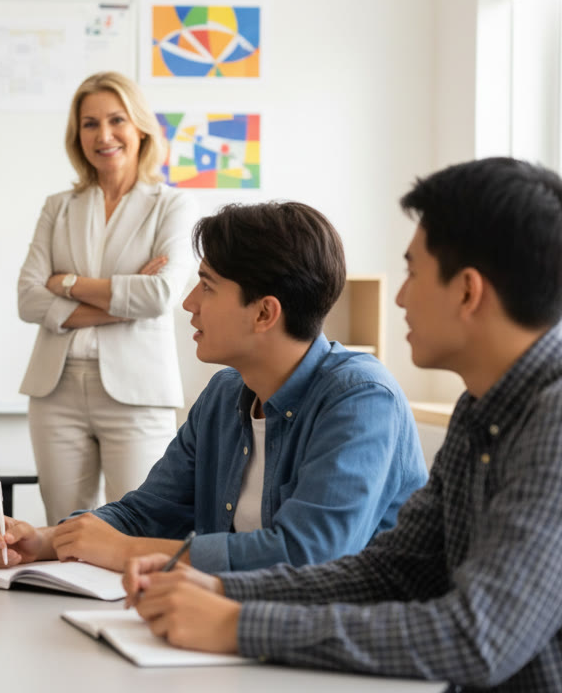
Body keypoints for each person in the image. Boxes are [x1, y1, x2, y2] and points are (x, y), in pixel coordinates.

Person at [122, 159, 562, 692]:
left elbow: (475, 637)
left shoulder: (552, 424)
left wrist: (240, 625)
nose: (399, 297)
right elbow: (391, 571)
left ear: (468, 291)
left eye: (413, 273)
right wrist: (222, 592)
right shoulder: (481, 408)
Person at [0, 201, 427, 574]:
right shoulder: (224, 394)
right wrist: (45, 540)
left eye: (208, 286)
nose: (189, 302)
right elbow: (148, 512)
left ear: (264, 314)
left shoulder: (361, 399)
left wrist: (124, 552)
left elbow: (307, 554)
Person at [18, 71, 197, 525]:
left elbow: (158, 295)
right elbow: (27, 298)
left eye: (116, 120)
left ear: (140, 127)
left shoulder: (171, 206)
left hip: (137, 393)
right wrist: (120, 299)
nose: (104, 135)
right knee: (64, 529)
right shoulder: (58, 206)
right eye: (90, 123)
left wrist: (69, 283)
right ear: (77, 135)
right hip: (54, 391)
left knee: (137, 529)